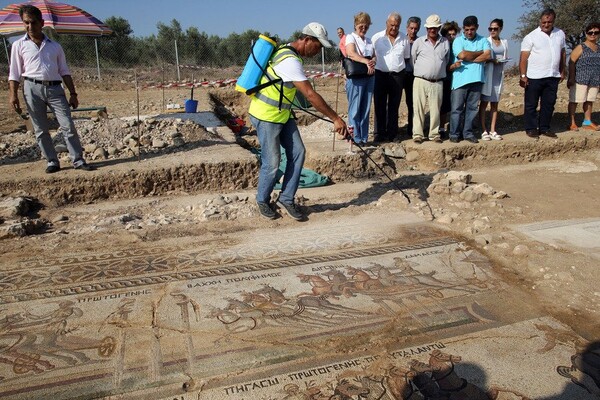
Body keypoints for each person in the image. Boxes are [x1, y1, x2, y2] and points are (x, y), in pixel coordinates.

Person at [249, 22, 349, 221]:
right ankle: (262, 199)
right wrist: (336, 118)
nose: (318, 50)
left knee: (298, 152)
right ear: (307, 39)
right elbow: (310, 95)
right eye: (317, 45)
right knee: (272, 161)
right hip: (265, 115)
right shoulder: (290, 61)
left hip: (282, 114)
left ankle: (286, 198)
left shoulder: (289, 53)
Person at [8, 5, 94, 174]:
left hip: (55, 88)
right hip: (31, 88)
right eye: (26, 23)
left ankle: (78, 160)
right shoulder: (19, 46)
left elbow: (65, 72)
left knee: (68, 125)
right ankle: (52, 161)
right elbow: (14, 73)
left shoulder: (55, 46)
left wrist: (73, 94)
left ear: (41, 23)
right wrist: (13, 95)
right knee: (40, 129)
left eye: (33, 22)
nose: (29, 27)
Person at [519, 8, 566, 139]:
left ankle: (545, 128)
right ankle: (531, 128)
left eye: (549, 22)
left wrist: (563, 70)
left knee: (549, 104)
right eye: (544, 22)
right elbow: (523, 58)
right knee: (531, 104)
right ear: (540, 21)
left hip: (552, 75)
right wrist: (523, 76)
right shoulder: (531, 36)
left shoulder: (560, 34)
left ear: (553, 21)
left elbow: (562, 52)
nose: (546, 24)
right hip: (534, 77)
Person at [449, 15, 491, 144]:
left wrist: (470, 56)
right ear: (463, 29)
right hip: (460, 81)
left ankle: (468, 133)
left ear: (477, 27)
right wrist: (479, 53)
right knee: (457, 109)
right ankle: (454, 134)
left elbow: (487, 55)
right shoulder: (458, 41)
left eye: (472, 29)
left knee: (472, 109)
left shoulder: (483, 40)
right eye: (466, 29)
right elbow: (462, 55)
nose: (469, 32)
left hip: (477, 79)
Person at [411, 14, 450, 143]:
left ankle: (434, 134)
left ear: (439, 27)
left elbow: (446, 60)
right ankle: (418, 134)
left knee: (435, 110)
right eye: (429, 28)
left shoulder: (445, 42)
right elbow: (413, 59)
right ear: (426, 28)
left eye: (434, 28)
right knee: (418, 108)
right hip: (421, 80)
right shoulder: (419, 42)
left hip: (437, 82)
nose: (432, 30)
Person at [371, 12, 410, 143]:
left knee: (394, 106)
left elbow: (406, 57)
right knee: (379, 105)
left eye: (397, 26)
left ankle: (393, 134)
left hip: (398, 75)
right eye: (392, 25)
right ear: (387, 23)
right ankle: (379, 134)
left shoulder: (404, 39)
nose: (394, 28)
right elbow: (371, 55)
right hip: (380, 74)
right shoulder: (376, 38)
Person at [345, 12, 376, 144]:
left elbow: (374, 55)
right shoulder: (350, 38)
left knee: (366, 108)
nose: (364, 28)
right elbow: (351, 53)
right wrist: (366, 62)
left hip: (369, 76)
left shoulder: (369, 41)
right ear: (356, 25)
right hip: (356, 77)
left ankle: (364, 138)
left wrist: (373, 61)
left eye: (366, 26)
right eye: (361, 26)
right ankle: (354, 137)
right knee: (355, 109)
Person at [479, 19, 508, 141]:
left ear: (500, 29)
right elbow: (483, 57)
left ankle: (493, 129)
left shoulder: (504, 42)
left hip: (498, 75)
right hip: (488, 74)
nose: (492, 31)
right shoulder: (486, 41)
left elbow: (505, 55)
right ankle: (483, 129)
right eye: (490, 28)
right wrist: (492, 60)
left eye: (495, 29)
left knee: (495, 104)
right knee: (484, 103)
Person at [567, 22, 600, 131]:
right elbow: (572, 61)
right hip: (580, 79)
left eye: (596, 32)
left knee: (589, 100)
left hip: (594, 79)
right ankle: (572, 122)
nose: (593, 34)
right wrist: (571, 78)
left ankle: (587, 121)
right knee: (574, 100)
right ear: (586, 34)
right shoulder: (581, 47)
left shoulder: (598, 48)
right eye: (590, 32)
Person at [440, 21, 460, 137]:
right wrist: (451, 67)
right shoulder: (443, 46)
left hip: (457, 79)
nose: (451, 37)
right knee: (444, 105)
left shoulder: (458, 46)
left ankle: (455, 129)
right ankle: (441, 128)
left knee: (456, 105)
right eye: (449, 34)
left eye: (453, 34)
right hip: (445, 79)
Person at [402, 16, 421, 138]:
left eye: (416, 29)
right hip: (400, 75)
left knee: (412, 103)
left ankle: (412, 129)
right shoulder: (401, 40)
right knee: (394, 102)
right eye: (411, 28)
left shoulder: (420, 42)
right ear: (407, 28)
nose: (413, 31)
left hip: (413, 76)